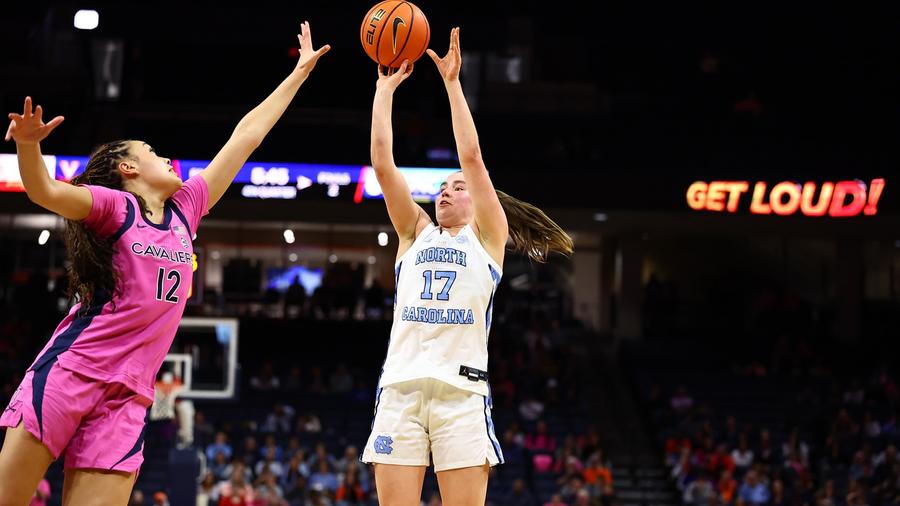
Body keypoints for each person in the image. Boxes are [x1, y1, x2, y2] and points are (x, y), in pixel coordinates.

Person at [0, 21, 330, 504]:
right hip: (74, 371)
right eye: (152, 152)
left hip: (129, 397)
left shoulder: (186, 211)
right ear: (129, 169)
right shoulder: (116, 208)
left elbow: (246, 137)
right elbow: (44, 190)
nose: (167, 156)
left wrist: (299, 73)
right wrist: (29, 146)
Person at [359, 27, 573, 505]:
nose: (447, 190)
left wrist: (453, 84)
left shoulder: (487, 239)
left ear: (478, 203)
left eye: (458, 187)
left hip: (461, 394)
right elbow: (381, 161)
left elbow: (472, 158)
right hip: (401, 390)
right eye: (442, 186)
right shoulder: (414, 233)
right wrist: (383, 90)